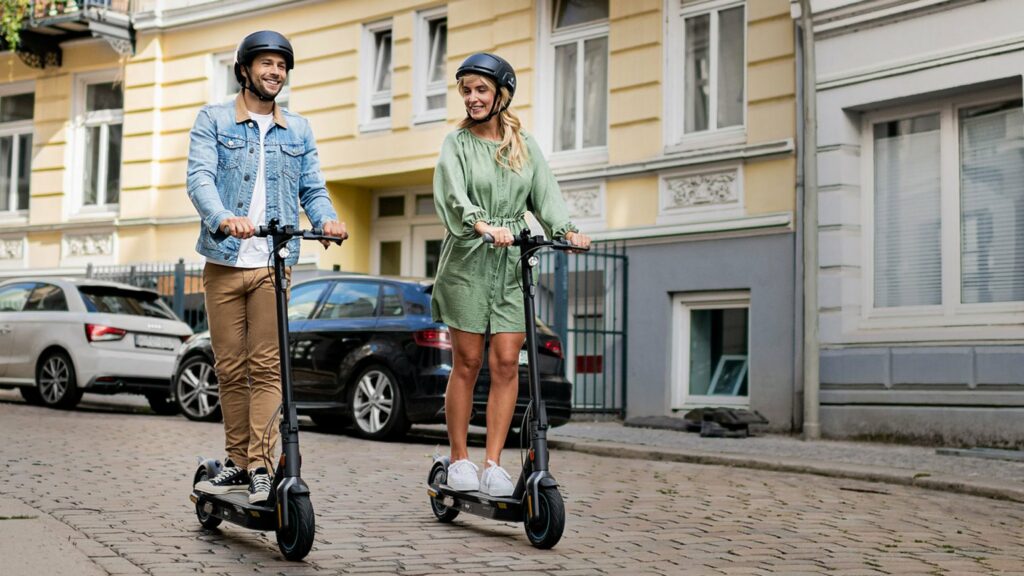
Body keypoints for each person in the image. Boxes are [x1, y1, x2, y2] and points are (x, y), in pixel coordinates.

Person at [186, 30, 347, 504]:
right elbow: (200, 178)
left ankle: (259, 464)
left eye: (281, 65)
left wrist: (327, 220)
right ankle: (236, 462)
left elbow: (313, 188)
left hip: (273, 264)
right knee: (231, 368)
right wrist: (223, 218)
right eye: (266, 63)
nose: (275, 71)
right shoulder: (213, 119)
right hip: (224, 260)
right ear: (244, 70)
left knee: (267, 367)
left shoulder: (297, 129)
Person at [432, 53, 591, 496]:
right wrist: (481, 224)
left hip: (510, 264)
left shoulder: (525, 145)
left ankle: (493, 463)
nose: (472, 97)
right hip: (468, 258)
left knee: (506, 363)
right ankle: (460, 458)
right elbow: (452, 193)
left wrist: (567, 230)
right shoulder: (456, 144)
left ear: (502, 93)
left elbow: (546, 194)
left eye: (480, 89)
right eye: (466, 90)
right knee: (467, 362)